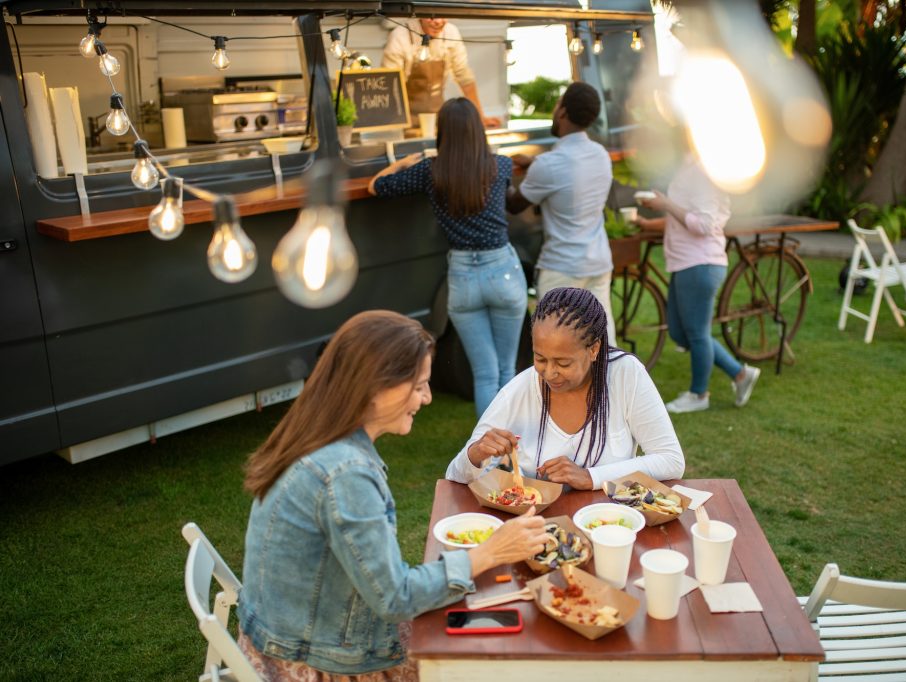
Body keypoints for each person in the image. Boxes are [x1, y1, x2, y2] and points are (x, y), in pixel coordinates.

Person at [237, 310, 548, 680]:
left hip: (297, 633)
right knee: (482, 663)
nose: (429, 398)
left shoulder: (316, 437)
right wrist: (491, 552)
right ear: (374, 387)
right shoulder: (345, 473)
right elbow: (394, 598)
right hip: (316, 661)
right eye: (419, 386)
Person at [368, 97, 526, 417]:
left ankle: (490, 457)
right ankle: (515, 454)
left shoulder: (430, 171)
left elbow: (376, 187)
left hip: (464, 277)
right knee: (507, 372)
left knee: (484, 374)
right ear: (478, 131)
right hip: (503, 270)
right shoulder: (501, 165)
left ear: (442, 132)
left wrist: (401, 163)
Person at [445, 287, 684, 491]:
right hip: (538, 526)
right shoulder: (518, 391)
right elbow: (454, 475)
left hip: (610, 525)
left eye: (563, 363)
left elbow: (671, 460)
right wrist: (475, 454)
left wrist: (590, 477)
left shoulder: (625, 375)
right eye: (540, 359)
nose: (549, 373)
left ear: (593, 349)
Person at [634, 154, 760, 413]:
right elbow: (684, 218)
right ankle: (739, 374)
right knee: (680, 333)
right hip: (685, 263)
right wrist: (647, 222)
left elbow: (703, 224)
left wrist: (667, 204)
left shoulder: (704, 172)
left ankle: (699, 395)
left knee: (697, 333)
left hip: (700, 263)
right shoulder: (688, 165)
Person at [506, 82, 616, 344]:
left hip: (562, 269)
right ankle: (614, 386)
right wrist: (536, 164)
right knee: (603, 345)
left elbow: (513, 205)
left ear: (563, 112)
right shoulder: (600, 155)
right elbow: (571, 174)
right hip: (598, 262)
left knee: (555, 347)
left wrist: (500, 170)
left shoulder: (550, 165)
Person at [381, 18, 500, 129]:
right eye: (431, 17)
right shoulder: (400, 35)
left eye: (442, 16)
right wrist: (394, 123)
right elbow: (390, 84)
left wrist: (480, 117)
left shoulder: (451, 33)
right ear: (420, 15)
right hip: (406, 120)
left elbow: (464, 77)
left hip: (439, 119)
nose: (438, 22)